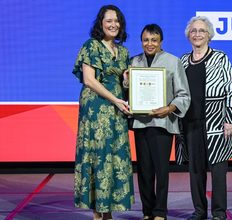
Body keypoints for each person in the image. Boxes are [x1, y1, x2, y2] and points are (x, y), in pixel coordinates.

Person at [72, 5, 134, 220]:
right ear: (101, 23)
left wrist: (126, 82)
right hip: (96, 109)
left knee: (113, 157)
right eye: (108, 20)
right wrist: (115, 99)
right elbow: (89, 80)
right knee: (98, 156)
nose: (113, 24)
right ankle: (98, 214)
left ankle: (108, 212)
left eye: (116, 20)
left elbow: (124, 85)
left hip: (117, 110)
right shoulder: (92, 46)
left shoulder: (124, 51)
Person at [176, 16, 232, 220]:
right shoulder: (183, 60)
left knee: (219, 171)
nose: (197, 34)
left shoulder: (220, 58)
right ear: (188, 35)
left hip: (216, 123)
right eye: (193, 31)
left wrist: (230, 119)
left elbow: (231, 88)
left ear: (209, 35)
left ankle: (219, 213)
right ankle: (200, 211)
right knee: (195, 170)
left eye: (201, 31)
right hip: (190, 122)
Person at [127, 24, 190, 220]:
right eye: (146, 40)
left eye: (154, 40)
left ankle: (160, 212)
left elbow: (184, 94)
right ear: (141, 41)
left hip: (163, 123)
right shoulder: (134, 62)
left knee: (161, 170)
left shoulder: (173, 61)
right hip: (140, 122)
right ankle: (147, 211)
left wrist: (169, 108)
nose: (149, 44)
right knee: (144, 171)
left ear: (161, 41)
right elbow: (126, 92)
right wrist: (127, 81)